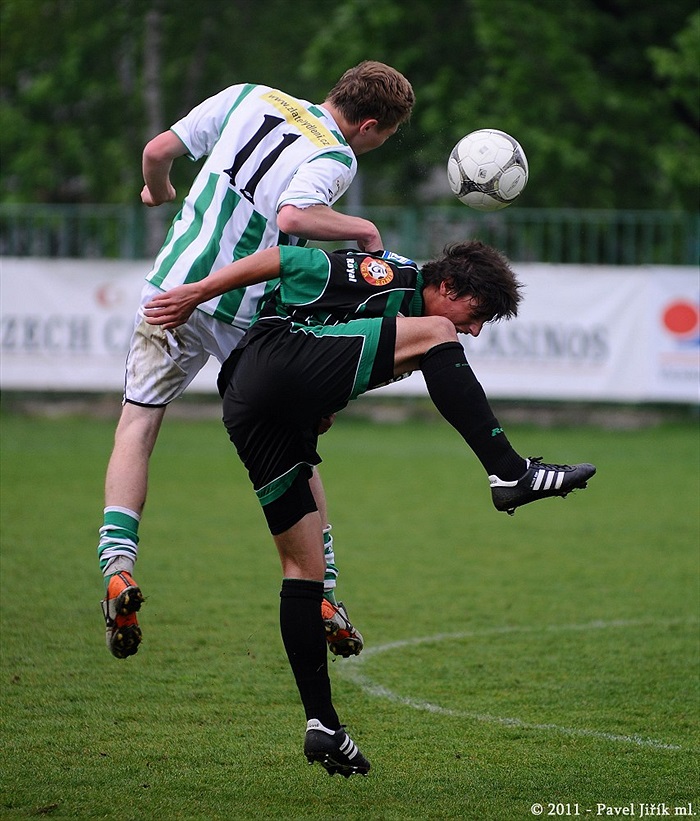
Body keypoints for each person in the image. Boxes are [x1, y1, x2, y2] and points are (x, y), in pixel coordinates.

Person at [143, 239, 597, 776]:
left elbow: (335, 342)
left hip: (252, 409)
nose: (474, 331)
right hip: (271, 360)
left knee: (304, 570)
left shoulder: (409, 326)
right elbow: (286, 261)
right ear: (447, 285)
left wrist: (318, 403)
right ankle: (509, 471)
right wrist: (197, 293)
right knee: (438, 334)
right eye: (476, 315)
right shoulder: (391, 276)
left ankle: (323, 725)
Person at [98, 61, 415, 660]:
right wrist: (365, 230)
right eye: (386, 137)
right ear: (370, 125)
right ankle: (323, 590)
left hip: (171, 288)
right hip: (244, 315)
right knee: (295, 446)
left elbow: (156, 151)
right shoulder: (335, 154)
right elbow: (294, 215)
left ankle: (118, 566)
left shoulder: (249, 95)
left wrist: (159, 191)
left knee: (137, 424)